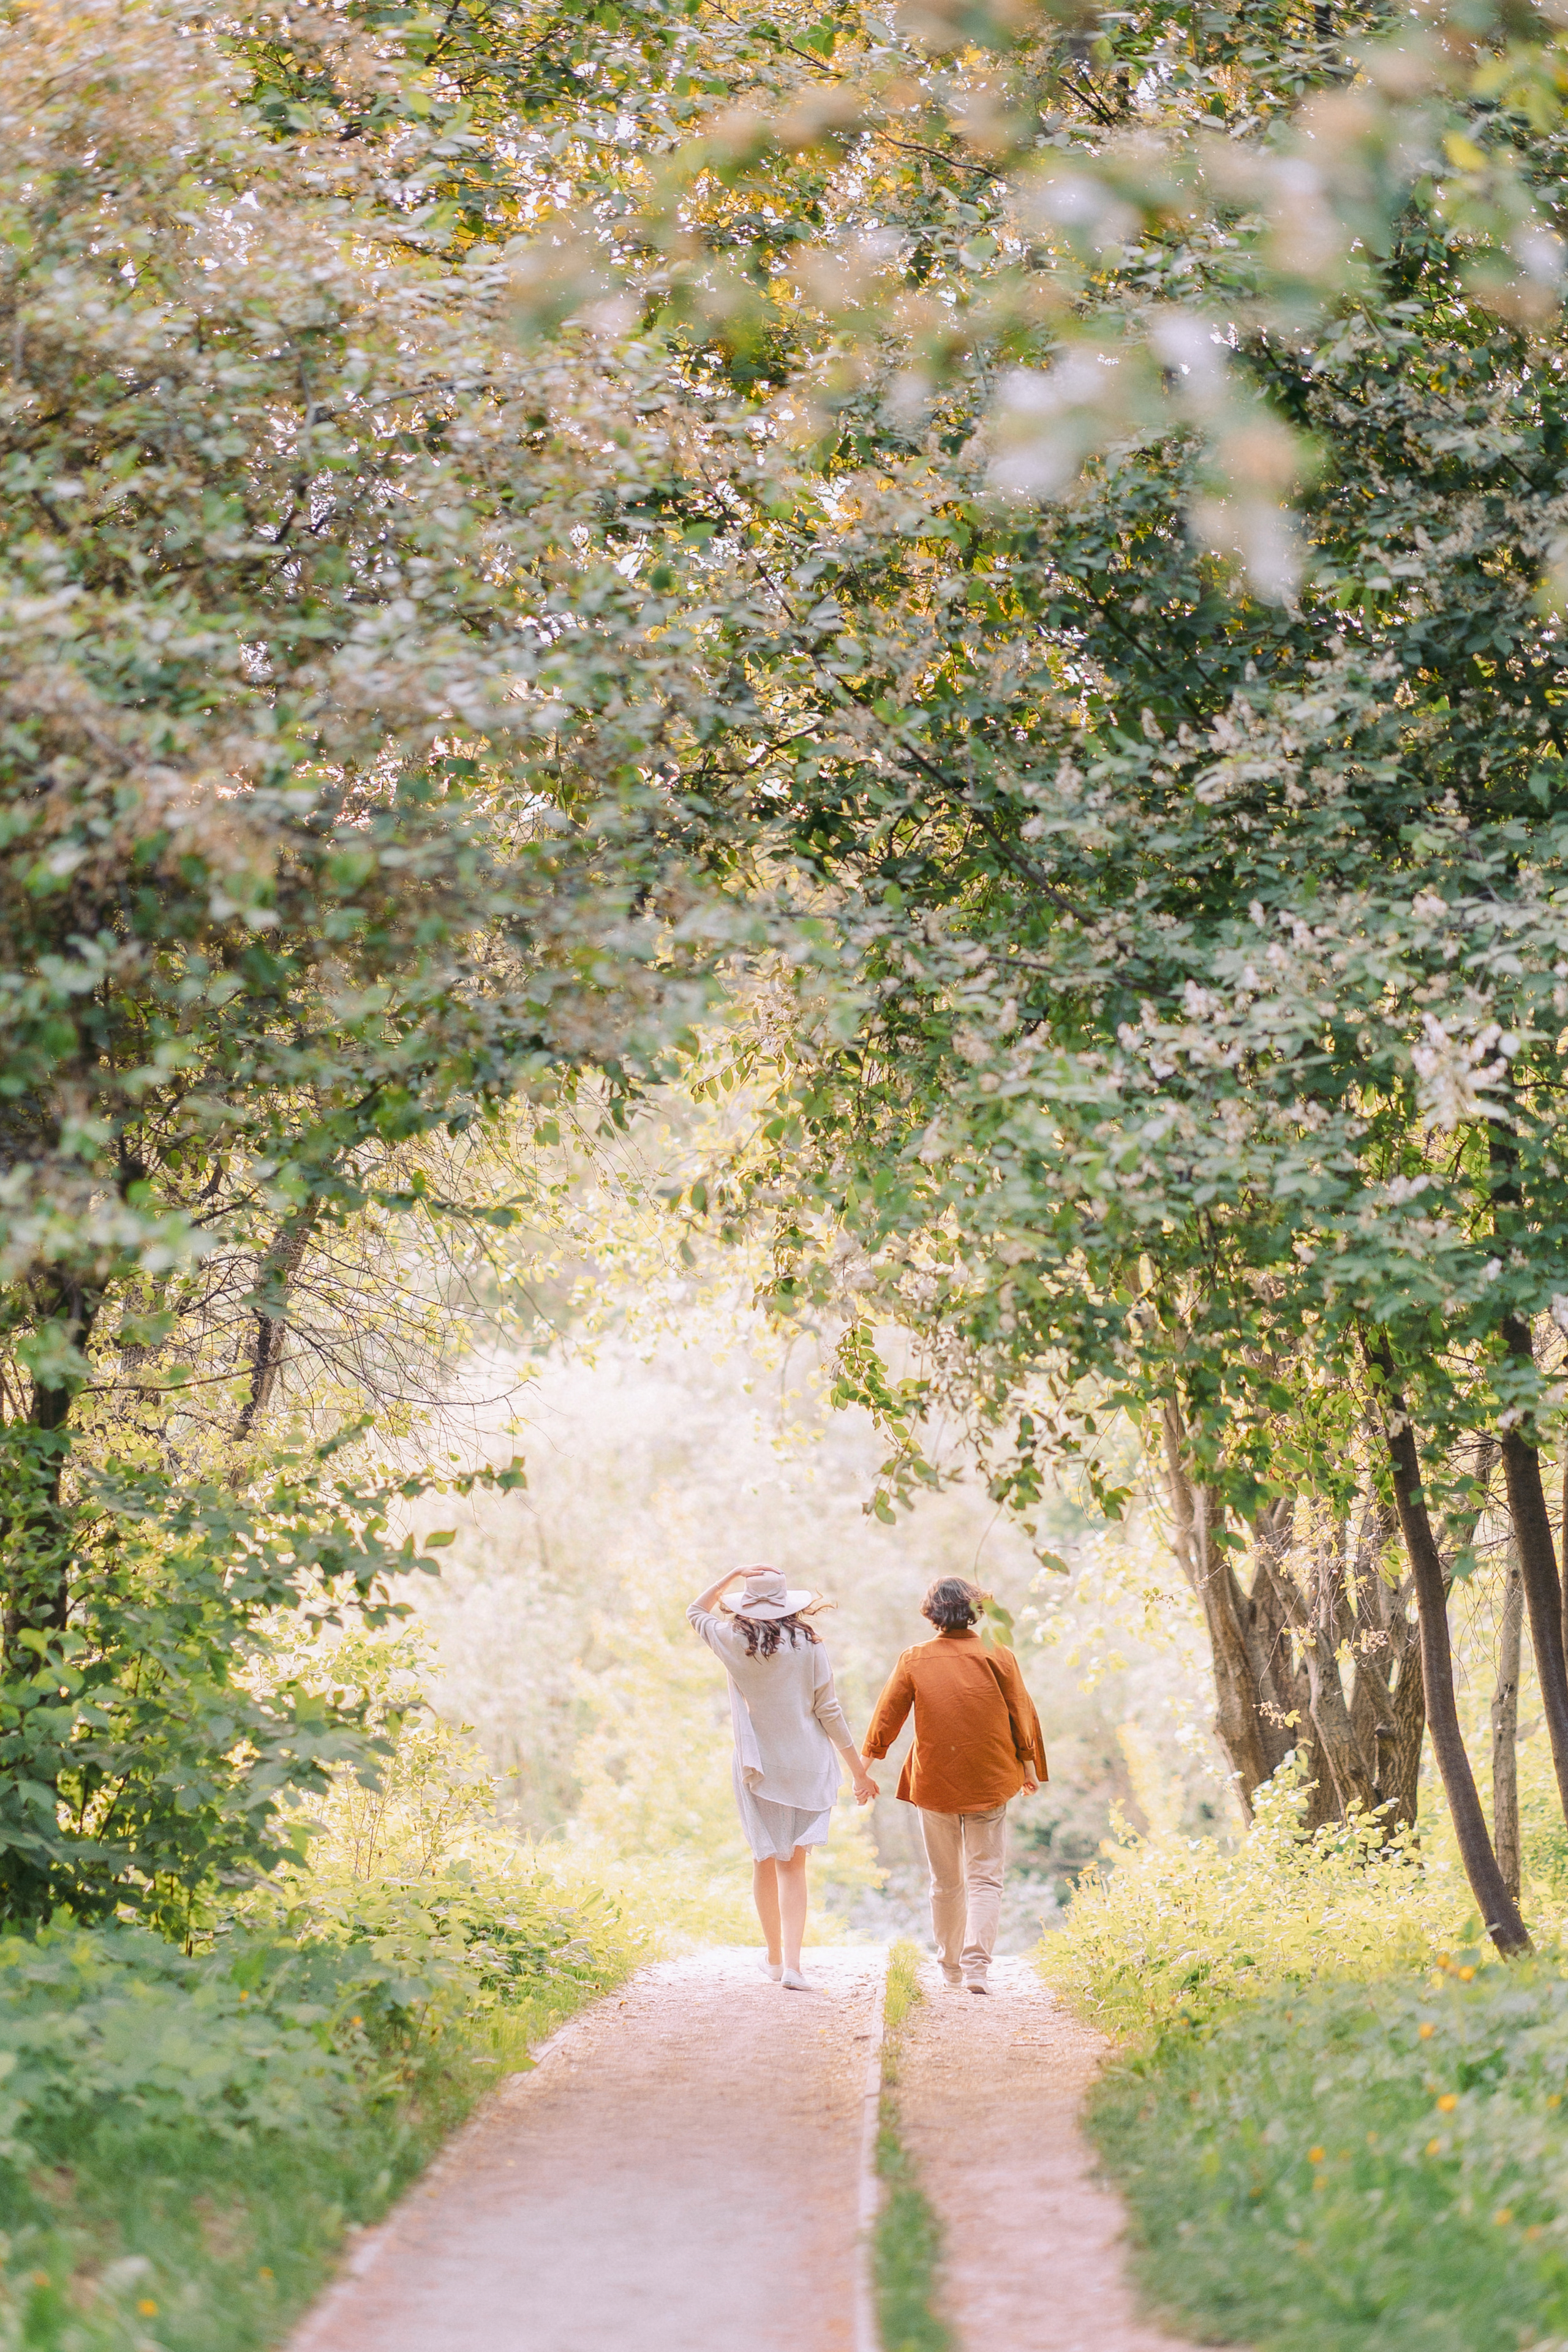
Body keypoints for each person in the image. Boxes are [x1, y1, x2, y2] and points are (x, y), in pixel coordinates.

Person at [688, 1564, 880, 1992]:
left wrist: (731, 1574)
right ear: (788, 1606)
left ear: (746, 1605)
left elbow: (694, 1610)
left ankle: (773, 1960)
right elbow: (828, 1710)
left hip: (759, 1767)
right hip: (808, 1764)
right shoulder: (809, 1645)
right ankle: (793, 1966)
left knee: (764, 1859)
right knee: (794, 1866)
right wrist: (858, 1773)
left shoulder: (730, 1641)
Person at [862, 1576, 1047, 1994]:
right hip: (990, 1777)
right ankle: (977, 1966)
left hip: (937, 1784)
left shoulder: (914, 1659)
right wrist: (1029, 1768)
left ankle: (950, 1967)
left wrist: (864, 1767)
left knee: (946, 1882)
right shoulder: (998, 1654)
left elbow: (886, 1717)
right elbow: (1021, 1712)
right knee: (985, 1878)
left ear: (932, 1613)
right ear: (975, 1611)